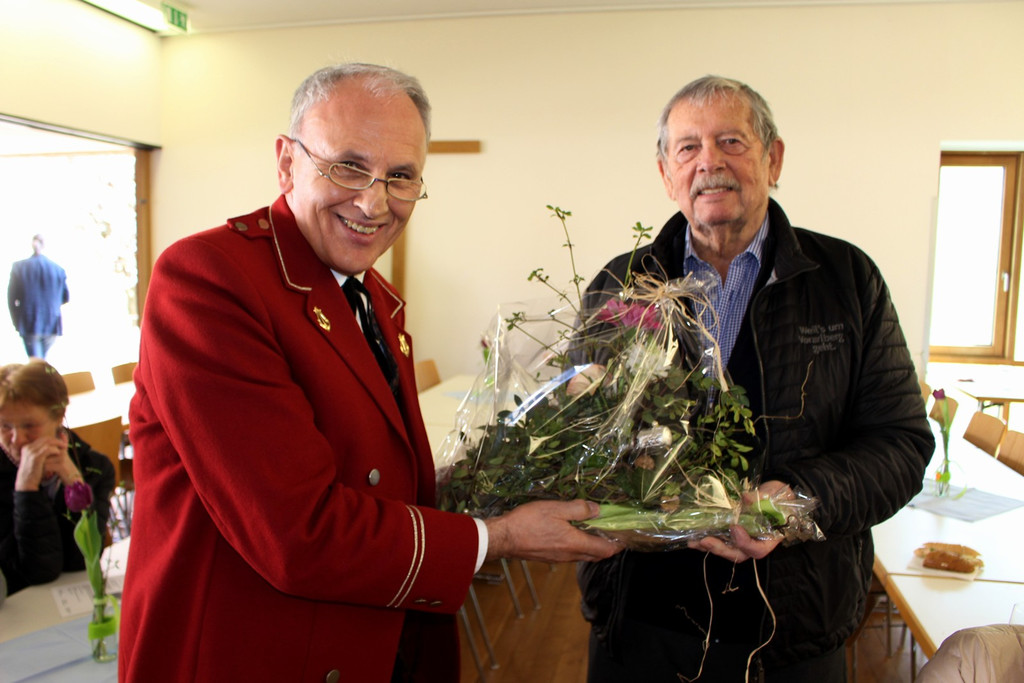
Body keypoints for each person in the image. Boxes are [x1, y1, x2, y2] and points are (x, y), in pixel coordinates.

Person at [118, 63, 620, 682]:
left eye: (401, 177)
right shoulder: (208, 280)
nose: (373, 201)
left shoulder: (374, 297)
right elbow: (298, 534)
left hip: (371, 640)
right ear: (286, 162)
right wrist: (501, 537)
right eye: (348, 166)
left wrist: (522, 470)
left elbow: (375, 478)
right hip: (256, 651)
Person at [577, 76, 934, 682]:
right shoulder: (620, 285)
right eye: (687, 148)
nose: (709, 162)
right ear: (666, 173)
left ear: (774, 158)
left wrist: (792, 504)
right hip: (641, 626)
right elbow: (580, 436)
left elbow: (901, 444)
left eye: (731, 142)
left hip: (792, 633)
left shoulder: (846, 281)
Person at [0, 359, 115, 595]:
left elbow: (84, 559)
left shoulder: (95, 468)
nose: (17, 439)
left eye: (29, 425)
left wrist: (74, 483)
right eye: (4, 426)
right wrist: (26, 488)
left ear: (59, 417)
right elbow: (32, 573)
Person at [7, 235, 70, 359]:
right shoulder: (58, 269)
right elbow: (65, 297)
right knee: (42, 362)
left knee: (37, 363)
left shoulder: (19, 268)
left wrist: (17, 322)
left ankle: (44, 377)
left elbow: (11, 299)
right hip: (52, 321)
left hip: (29, 323)